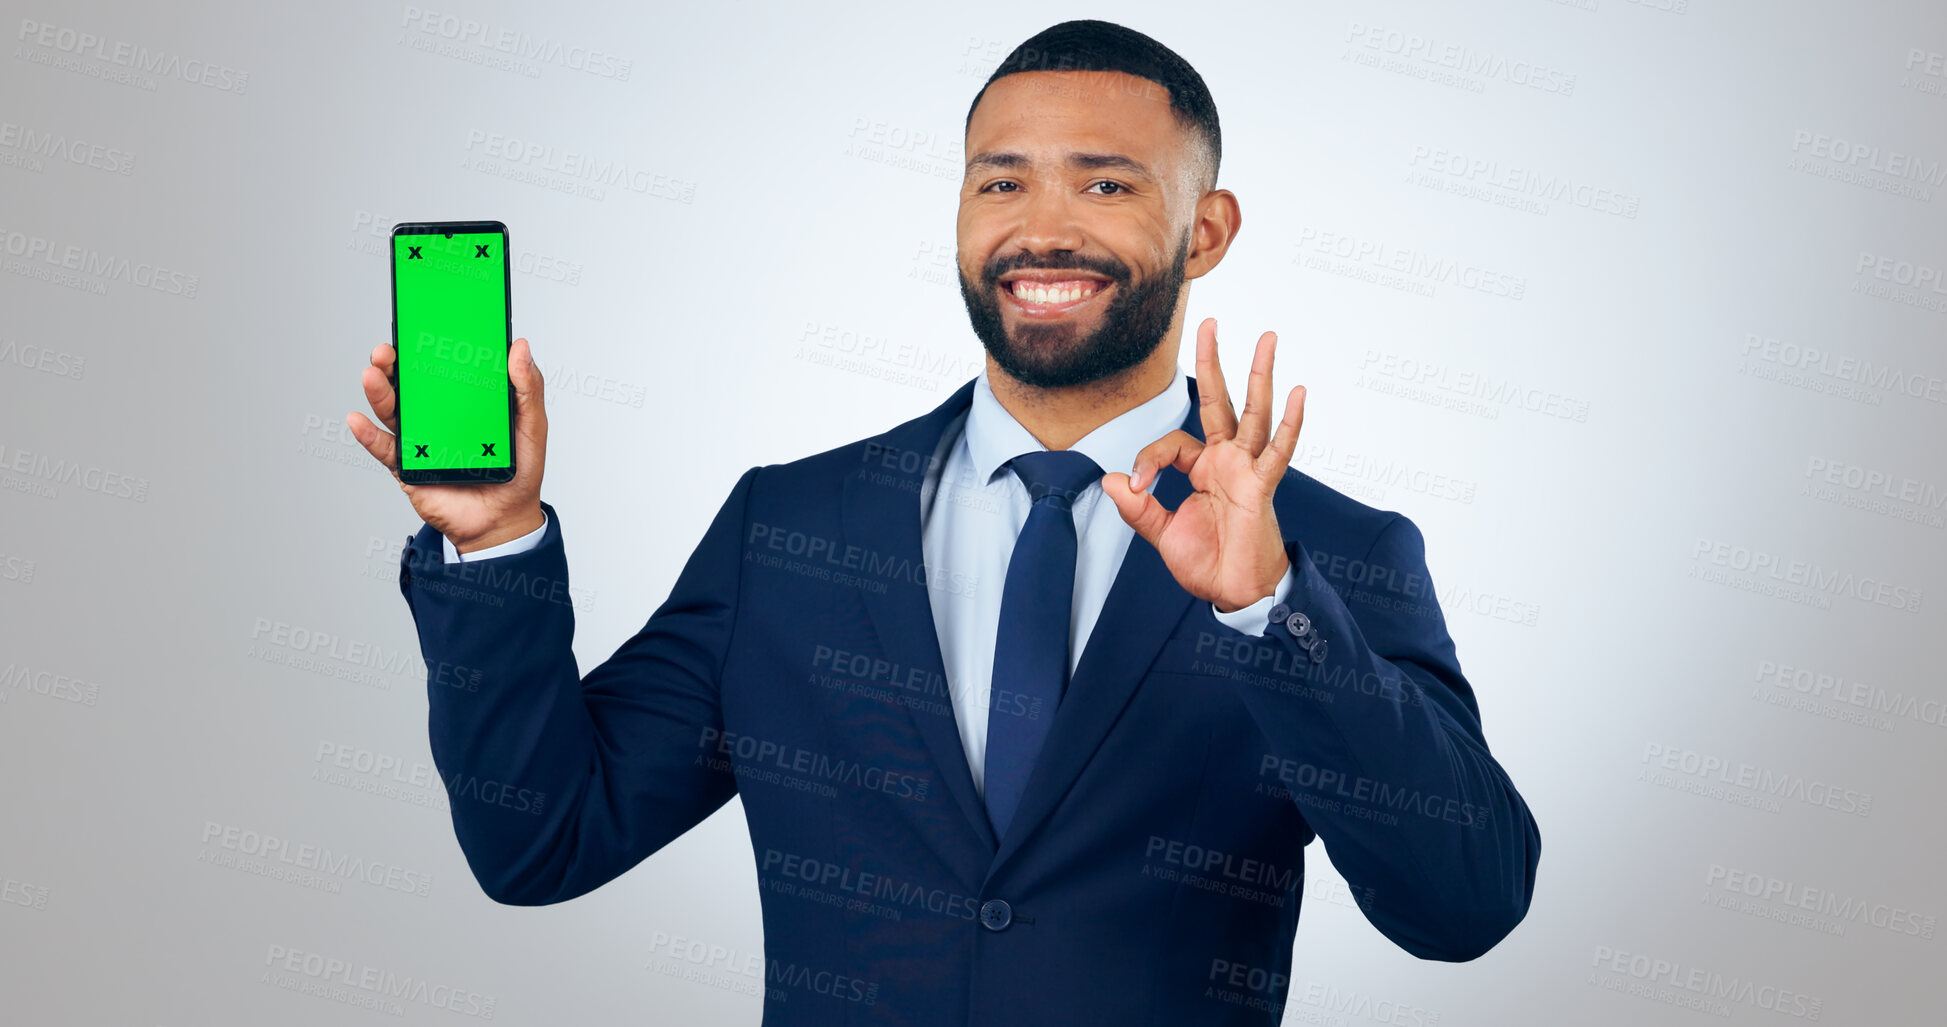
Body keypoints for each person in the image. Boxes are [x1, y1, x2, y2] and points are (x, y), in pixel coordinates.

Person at [346, 19, 1539, 1026]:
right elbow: (540, 843)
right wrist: (493, 537)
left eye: (1107, 182)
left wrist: (1271, 611)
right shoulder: (791, 527)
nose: (1042, 228)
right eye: (1001, 180)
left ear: (1207, 230)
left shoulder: (1326, 554)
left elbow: (1463, 903)